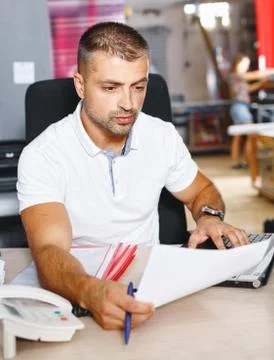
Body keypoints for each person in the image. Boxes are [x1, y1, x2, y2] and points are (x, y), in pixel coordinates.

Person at [17, 22, 250, 331]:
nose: (128, 103)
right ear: (81, 85)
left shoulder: (160, 135)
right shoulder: (43, 154)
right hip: (77, 285)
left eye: (138, 87)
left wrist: (208, 217)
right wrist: (89, 292)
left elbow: (201, 190)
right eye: (111, 88)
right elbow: (50, 251)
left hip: (154, 286)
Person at [229, 53, 274, 169]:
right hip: (240, 106)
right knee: (251, 133)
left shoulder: (239, 78)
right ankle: (249, 161)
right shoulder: (235, 75)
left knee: (238, 135)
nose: (245, 67)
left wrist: (261, 84)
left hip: (239, 107)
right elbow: (255, 75)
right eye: (244, 64)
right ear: (237, 63)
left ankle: (237, 162)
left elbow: (249, 88)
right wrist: (270, 72)